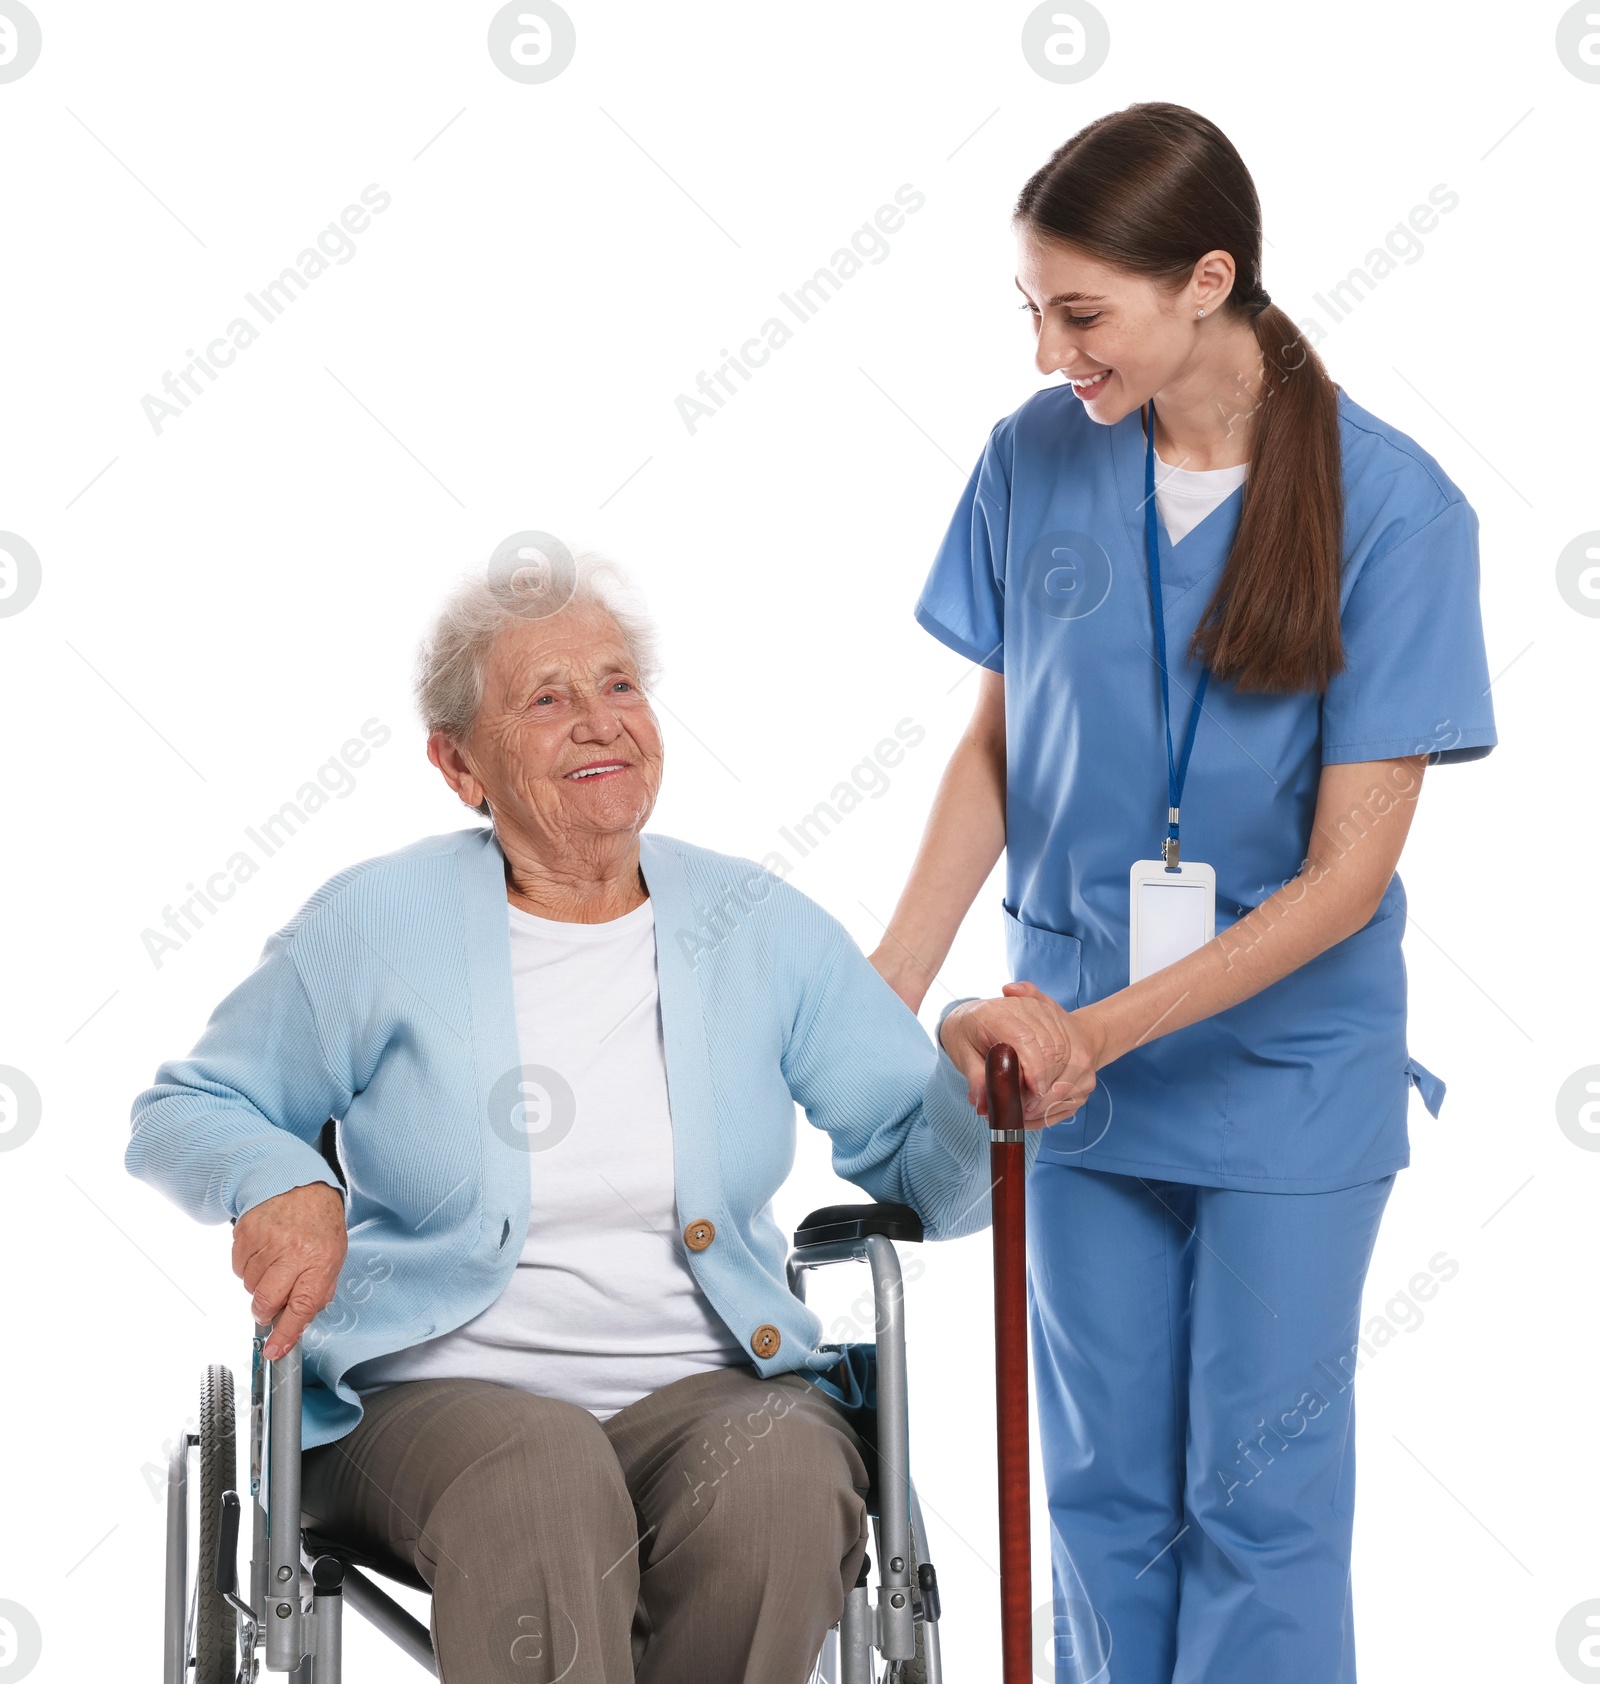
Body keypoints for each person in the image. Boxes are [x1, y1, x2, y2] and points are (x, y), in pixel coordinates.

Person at [127, 554, 1076, 1684]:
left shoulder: (754, 923)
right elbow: (183, 1106)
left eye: (619, 685)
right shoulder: (378, 922)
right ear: (456, 762)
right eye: (547, 696)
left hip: (710, 1390)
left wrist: (982, 1083)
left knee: (784, 1474)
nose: (600, 722)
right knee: (542, 1468)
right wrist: (279, 1180)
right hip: (423, 1402)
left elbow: (932, 1182)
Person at [870, 103, 1496, 1684]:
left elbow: (1348, 880)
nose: (1045, 354)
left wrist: (1101, 1028)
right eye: (1032, 309)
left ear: (1207, 280)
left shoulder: (1396, 508)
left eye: (1080, 315)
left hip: (1282, 1076)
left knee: (1258, 1500)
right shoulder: (1037, 459)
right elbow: (996, 754)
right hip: (1065, 1073)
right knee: (1101, 1498)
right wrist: (883, 982)